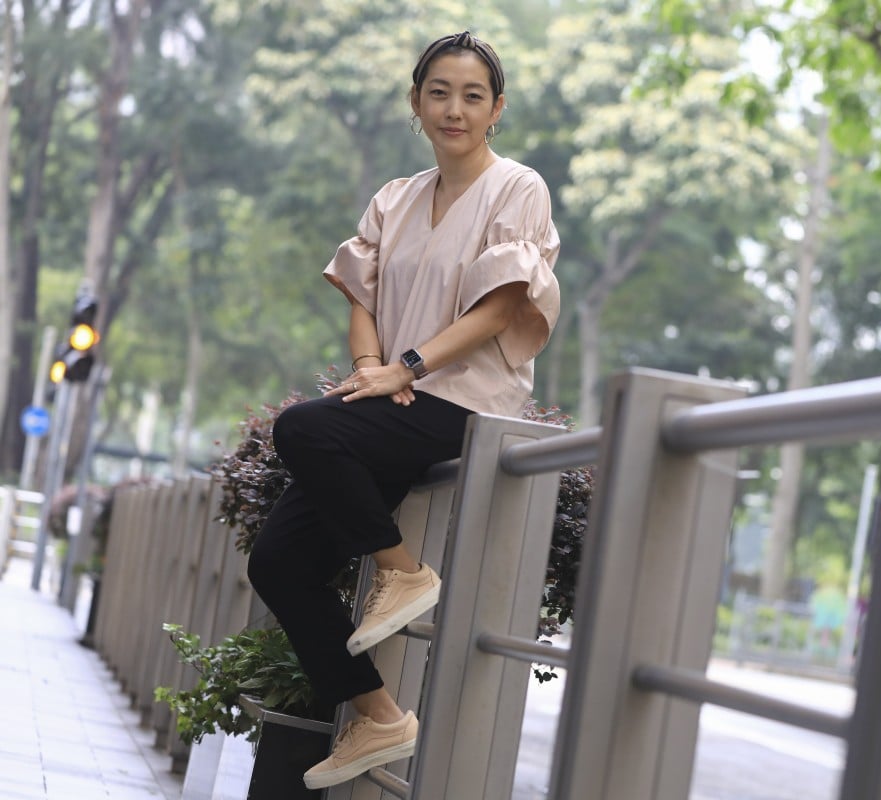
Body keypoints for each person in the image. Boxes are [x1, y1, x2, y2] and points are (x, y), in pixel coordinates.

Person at [246, 31, 560, 791]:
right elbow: (363, 297)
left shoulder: (518, 187)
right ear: (416, 102)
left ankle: (402, 571)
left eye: (473, 96)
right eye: (439, 92)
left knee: (302, 426)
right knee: (279, 563)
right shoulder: (394, 197)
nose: (455, 109)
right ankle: (380, 716)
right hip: (394, 402)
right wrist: (370, 372)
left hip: (463, 403)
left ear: (497, 108)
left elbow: (499, 308)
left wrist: (407, 367)